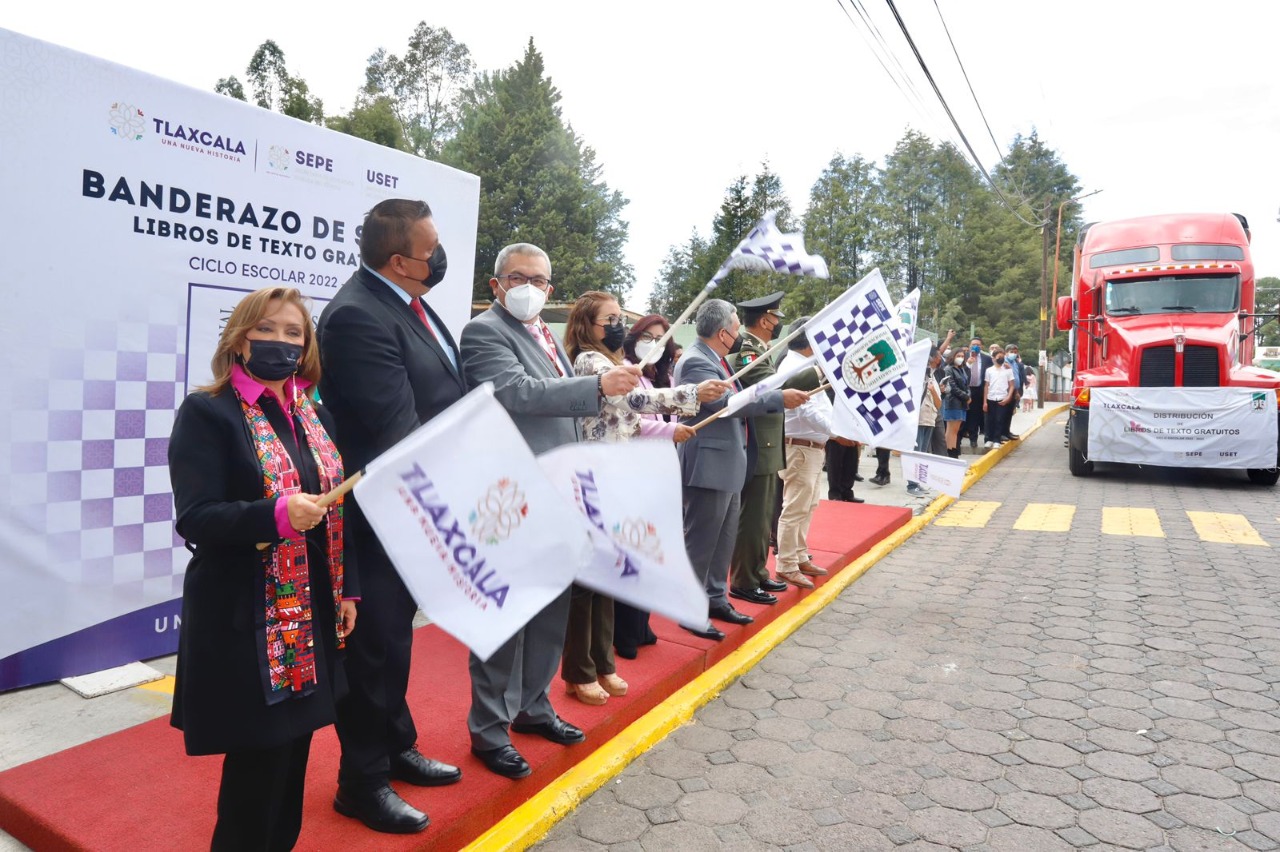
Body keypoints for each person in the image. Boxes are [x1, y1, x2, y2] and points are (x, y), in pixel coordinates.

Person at [170, 286, 357, 851]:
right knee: (257, 762)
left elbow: (335, 509)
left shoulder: (313, 414)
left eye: (293, 333)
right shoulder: (209, 412)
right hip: (243, 614)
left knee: (294, 751)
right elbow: (197, 518)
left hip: (308, 608)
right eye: (267, 329)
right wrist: (274, 515)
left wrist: (348, 591)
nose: (280, 342)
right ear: (240, 336)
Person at [459, 243, 641, 779]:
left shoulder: (545, 335)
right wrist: (595, 385)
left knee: (548, 613)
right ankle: (489, 730)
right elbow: (513, 392)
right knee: (507, 617)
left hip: (559, 493)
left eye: (540, 280)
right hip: (512, 497)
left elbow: (565, 410)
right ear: (495, 283)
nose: (529, 287)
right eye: (519, 277)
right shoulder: (485, 332)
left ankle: (533, 707)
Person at [317, 198, 465, 834]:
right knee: (373, 648)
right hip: (379, 510)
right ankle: (362, 781)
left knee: (396, 638)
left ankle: (395, 743)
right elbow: (394, 426)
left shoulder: (408, 301)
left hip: (412, 502)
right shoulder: (356, 315)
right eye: (433, 251)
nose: (441, 260)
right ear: (400, 259)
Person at [560, 293, 728, 705]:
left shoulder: (612, 363)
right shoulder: (589, 362)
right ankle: (578, 671)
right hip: (596, 479)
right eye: (610, 319)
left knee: (609, 574)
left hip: (620, 479)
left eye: (620, 317)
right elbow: (634, 400)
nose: (618, 324)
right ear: (588, 325)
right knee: (588, 581)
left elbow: (636, 417)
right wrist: (691, 395)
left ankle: (603, 663)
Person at [674, 299, 806, 641]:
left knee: (723, 538)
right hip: (708, 463)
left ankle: (715, 597)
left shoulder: (713, 358)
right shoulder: (695, 362)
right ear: (722, 332)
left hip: (725, 461)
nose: (737, 334)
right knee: (702, 541)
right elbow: (724, 405)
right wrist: (779, 398)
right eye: (735, 329)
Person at [613, 314, 679, 659]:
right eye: (646, 336)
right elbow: (633, 421)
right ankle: (623, 631)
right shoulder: (624, 371)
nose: (651, 343)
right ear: (633, 337)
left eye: (659, 339)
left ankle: (640, 625)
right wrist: (671, 431)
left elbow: (668, 415)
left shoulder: (655, 377)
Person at [729, 291, 799, 600]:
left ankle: (757, 572)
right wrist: (821, 370)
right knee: (754, 517)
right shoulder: (748, 350)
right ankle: (744, 579)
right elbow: (773, 385)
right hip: (759, 442)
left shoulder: (760, 348)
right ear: (765, 319)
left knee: (764, 514)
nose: (778, 322)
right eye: (776, 316)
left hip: (768, 443)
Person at [775, 320, 850, 584]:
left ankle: (799, 555)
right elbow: (805, 410)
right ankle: (786, 563)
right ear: (810, 342)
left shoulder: (805, 365)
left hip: (811, 447)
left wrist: (836, 430)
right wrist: (837, 433)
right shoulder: (794, 366)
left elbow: (820, 408)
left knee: (808, 505)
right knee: (795, 506)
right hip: (799, 447)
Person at [907, 345, 943, 498]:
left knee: (921, 453)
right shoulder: (919, 374)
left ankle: (918, 483)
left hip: (929, 419)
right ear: (931, 358)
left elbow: (938, 403)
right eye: (938, 355)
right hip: (919, 419)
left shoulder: (932, 375)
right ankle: (912, 484)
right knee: (916, 453)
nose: (940, 358)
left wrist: (935, 390)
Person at [983, 345, 1016, 449]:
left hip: (1002, 397)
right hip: (991, 397)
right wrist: (985, 402)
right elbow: (986, 386)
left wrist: (1008, 397)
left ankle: (997, 439)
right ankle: (988, 439)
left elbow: (1012, 385)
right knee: (989, 419)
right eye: (998, 357)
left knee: (999, 419)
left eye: (1002, 356)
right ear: (993, 358)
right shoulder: (989, 370)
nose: (1000, 359)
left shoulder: (1008, 370)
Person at [941, 348, 972, 458]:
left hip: (962, 404)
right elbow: (952, 387)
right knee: (951, 430)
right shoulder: (948, 369)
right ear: (952, 356)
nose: (960, 358)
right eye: (958, 356)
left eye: (962, 356)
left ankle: (953, 451)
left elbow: (967, 385)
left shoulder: (961, 369)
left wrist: (968, 395)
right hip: (953, 403)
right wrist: (966, 396)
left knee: (956, 430)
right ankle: (949, 452)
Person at [964, 337, 993, 452]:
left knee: (976, 415)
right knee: (966, 415)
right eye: (973, 344)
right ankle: (963, 437)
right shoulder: (964, 357)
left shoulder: (987, 359)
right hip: (966, 389)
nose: (975, 346)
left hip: (980, 390)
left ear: (982, 347)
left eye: (978, 345)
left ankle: (974, 439)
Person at [1003, 343, 1025, 440]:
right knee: (1003, 414)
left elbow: (1016, 378)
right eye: (1011, 352)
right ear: (1006, 353)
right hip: (1006, 391)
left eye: (1015, 352)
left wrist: (1016, 392)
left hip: (1014, 391)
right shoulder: (1004, 363)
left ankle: (1007, 432)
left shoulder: (1015, 363)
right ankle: (1001, 433)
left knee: (1009, 413)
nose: (1013, 354)